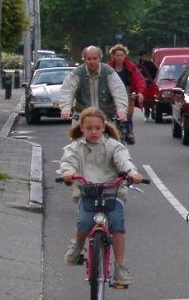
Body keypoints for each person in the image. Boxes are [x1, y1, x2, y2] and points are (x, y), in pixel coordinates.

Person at [58, 107, 144, 285]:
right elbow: (68, 162)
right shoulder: (75, 147)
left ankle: (120, 266)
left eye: (98, 127)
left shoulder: (113, 146)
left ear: (104, 127)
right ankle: (77, 246)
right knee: (84, 222)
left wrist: (131, 173)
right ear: (81, 128)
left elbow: (123, 160)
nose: (94, 131)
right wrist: (67, 173)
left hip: (112, 191)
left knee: (117, 224)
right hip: (87, 190)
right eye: (89, 128)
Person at [59, 46, 128, 124]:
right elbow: (67, 90)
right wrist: (65, 108)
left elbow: (118, 90)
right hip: (82, 117)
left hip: (105, 117)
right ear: (84, 59)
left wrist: (121, 110)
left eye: (95, 58)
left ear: (100, 59)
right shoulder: (76, 73)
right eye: (89, 59)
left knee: (111, 135)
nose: (92, 62)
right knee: (76, 135)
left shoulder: (109, 72)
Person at [108, 44, 146, 144]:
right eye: (117, 55)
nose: (119, 57)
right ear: (113, 56)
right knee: (111, 116)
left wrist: (140, 92)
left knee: (128, 115)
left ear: (125, 56)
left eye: (121, 55)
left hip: (127, 93)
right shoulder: (108, 68)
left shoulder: (131, 67)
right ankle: (111, 132)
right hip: (112, 95)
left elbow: (139, 79)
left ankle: (129, 131)